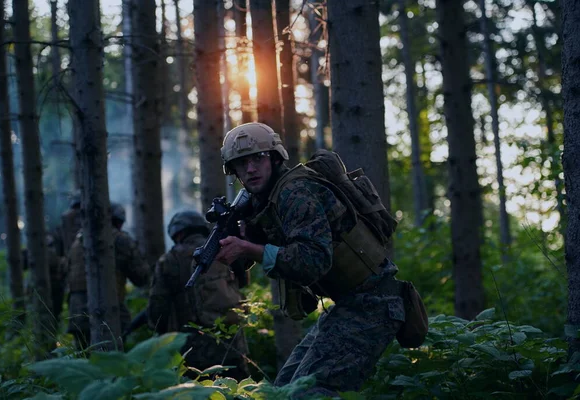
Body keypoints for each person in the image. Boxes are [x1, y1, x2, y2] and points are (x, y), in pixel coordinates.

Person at [214, 122, 405, 396]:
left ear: (275, 158)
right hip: (349, 306)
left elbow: (312, 261)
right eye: (241, 164)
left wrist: (249, 249)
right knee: (280, 392)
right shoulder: (268, 202)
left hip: (373, 304)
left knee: (308, 394)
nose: (251, 169)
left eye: (258, 158)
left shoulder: (295, 192)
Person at [147, 210, 250, 381]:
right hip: (232, 343)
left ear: (178, 233)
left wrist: (159, 332)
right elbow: (243, 281)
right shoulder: (225, 248)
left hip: (192, 350)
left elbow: (158, 306)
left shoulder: (170, 259)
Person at [66, 202, 151, 350]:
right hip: (108, 312)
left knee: (83, 361)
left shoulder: (78, 240)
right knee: (112, 362)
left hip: (77, 313)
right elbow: (141, 277)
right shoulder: (119, 239)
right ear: (118, 221)